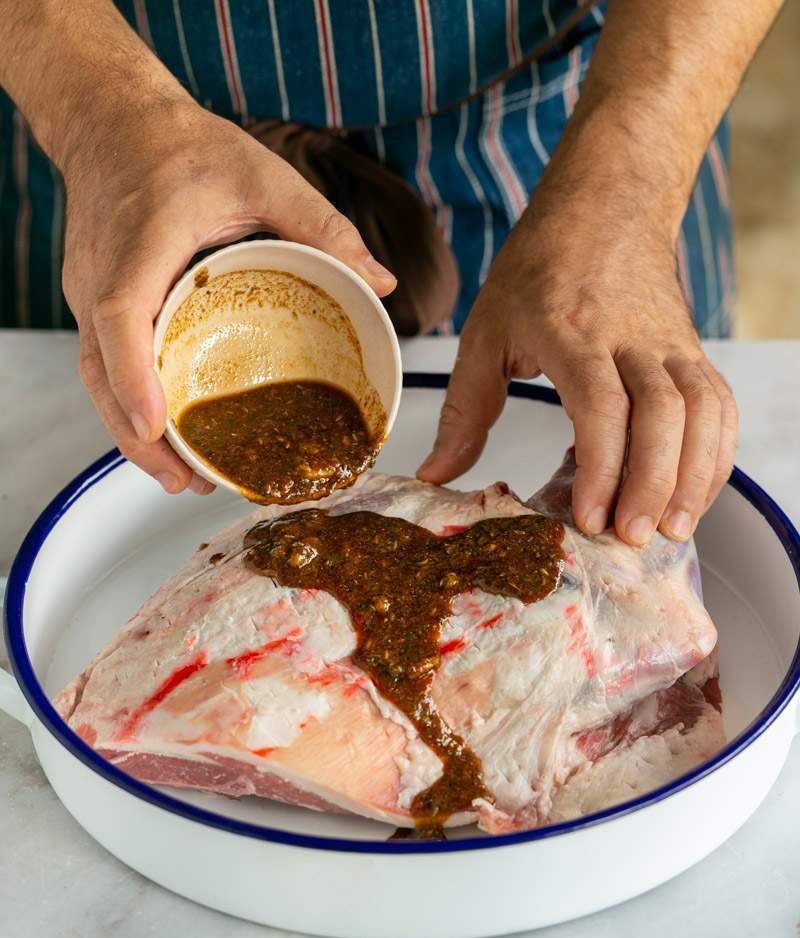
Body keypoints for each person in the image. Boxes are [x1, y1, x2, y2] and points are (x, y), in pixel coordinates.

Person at [0, 1, 782, 545]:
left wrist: (628, 187)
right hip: (109, 133)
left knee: (636, 468)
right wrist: (100, 110)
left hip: (589, 122)